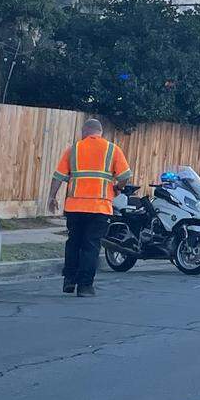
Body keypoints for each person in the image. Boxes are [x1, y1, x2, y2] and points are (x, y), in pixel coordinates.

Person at [48, 119, 131, 297]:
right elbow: (125, 175)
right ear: (100, 132)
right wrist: (118, 187)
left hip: (75, 206)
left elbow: (58, 176)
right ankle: (85, 286)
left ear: (85, 132)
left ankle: (69, 280)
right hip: (99, 207)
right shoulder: (112, 149)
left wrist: (52, 197)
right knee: (91, 246)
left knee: (73, 243)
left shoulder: (74, 149)